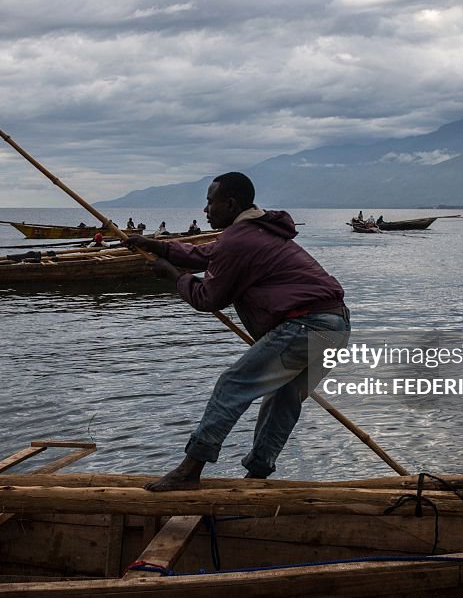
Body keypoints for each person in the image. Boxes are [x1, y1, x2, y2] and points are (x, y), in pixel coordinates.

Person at [124, 172, 350, 491]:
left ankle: (190, 469)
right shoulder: (254, 231)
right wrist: (156, 246)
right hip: (335, 327)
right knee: (284, 396)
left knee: (233, 383)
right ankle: (257, 475)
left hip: (307, 324)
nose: (205, 210)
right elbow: (206, 256)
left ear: (230, 204)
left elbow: (209, 298)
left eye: (209, 202)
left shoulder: (239, 238)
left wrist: (175, 277)